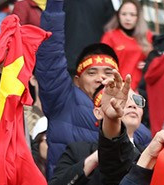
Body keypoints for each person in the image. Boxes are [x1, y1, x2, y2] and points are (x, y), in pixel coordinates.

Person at [35, 0, 120, 173]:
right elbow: (50, 57)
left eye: (108, 72)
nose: (101, 78)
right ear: (77, 81)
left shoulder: (131, 114)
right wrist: (54, 7)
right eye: (92, 73)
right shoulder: (63, 102)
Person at [100, 0, 150, 85]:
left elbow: (155, 60)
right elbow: (102, 64)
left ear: (138, 17)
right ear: (118, 15)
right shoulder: (110, 36)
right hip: (116, 85)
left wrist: (148, 63)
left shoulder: (147, 36)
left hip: (139, 87)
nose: (128, 18)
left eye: (132, 14)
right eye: (124, 14)